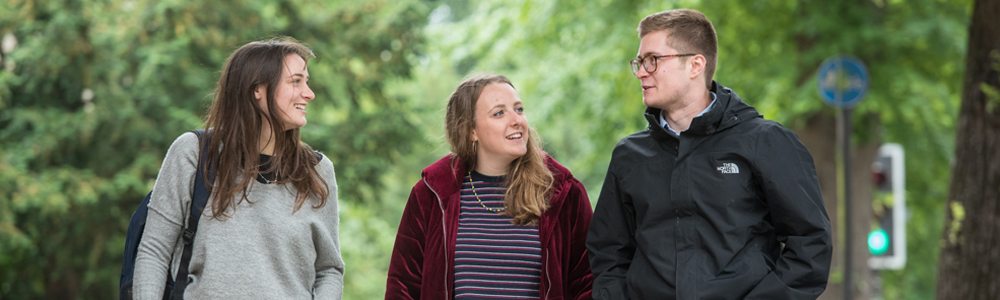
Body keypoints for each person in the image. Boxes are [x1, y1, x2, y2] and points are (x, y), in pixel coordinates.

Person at [586, 9, 832, 300]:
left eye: (653, 60)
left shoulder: (766, 142)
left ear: (695, 65)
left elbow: (810, 246)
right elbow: (608, 252)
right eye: (639, 62)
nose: (641, 72)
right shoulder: (630, 155)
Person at [133, 37, 344, 299]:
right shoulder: (195, 153)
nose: (309, 93)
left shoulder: (317, 171)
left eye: (307, 81)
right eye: (296, 81)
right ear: (258, 89)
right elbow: (154, 250)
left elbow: (329, 270)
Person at [385, 74, 594, 300]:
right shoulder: (431, 194)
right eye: (499, 113)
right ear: (470, 131)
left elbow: (588, 283)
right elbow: (403, 287)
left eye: (519, 109)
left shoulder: (562, 193)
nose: (516, 120)